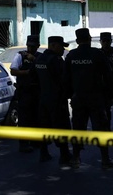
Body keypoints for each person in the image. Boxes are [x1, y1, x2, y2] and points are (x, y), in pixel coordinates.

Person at [64, 28, 113, 169]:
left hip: (78, 98)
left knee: (78, 128)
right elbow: (108, 77)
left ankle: (76, 158)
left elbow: (66, 79)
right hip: (96, 98)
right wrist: (111, 96)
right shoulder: (97, 54)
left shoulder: (71, 56)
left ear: (77, 41)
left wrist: (71, 95)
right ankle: (105, 159)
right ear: (90, 38)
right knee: (100, 129)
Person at [32, 36, 72, 164]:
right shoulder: (56, 60)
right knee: (62, 126)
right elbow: (64, 79)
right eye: (61, 46)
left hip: (43, 99)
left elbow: (33, 78)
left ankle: (44, 153)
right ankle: (64, 155)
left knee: (44, 127)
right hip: (57, 100)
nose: (63, 49)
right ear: (54, 45)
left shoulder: (39, 59)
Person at [10, 35, 42, 153]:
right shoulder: (20, 55)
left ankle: (35, 141)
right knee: (24, 119)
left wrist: (34, 60)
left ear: (38, 46)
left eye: (33, 46)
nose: (30, 48)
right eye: (29, 46)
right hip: (24, 92)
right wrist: (26, 72)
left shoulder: (39, 57)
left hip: (37, 92)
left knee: (36, 118)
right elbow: (13, 70)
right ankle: (23, 144)